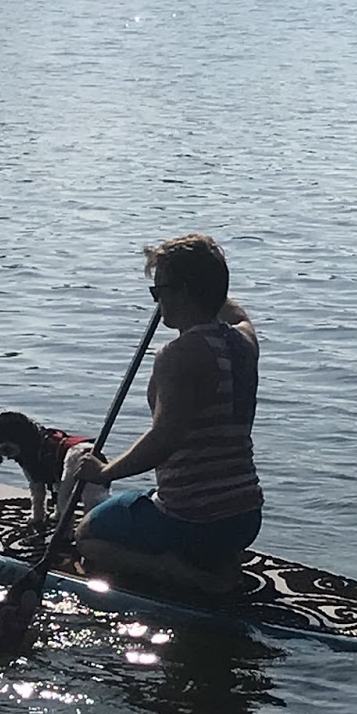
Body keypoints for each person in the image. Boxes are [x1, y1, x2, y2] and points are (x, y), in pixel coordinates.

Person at [74, 234, 262, 595]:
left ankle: (171, 570)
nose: (157, 301)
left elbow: (163, 439)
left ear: (185, 293)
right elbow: (236, 313)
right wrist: (208, 282)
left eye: (159, 291)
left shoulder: (176, 355)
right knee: (145, 500)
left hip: (190, 515)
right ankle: (219, 559)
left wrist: (105, 471)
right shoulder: (245, 342)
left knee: (88, 536)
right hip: (245, 515)